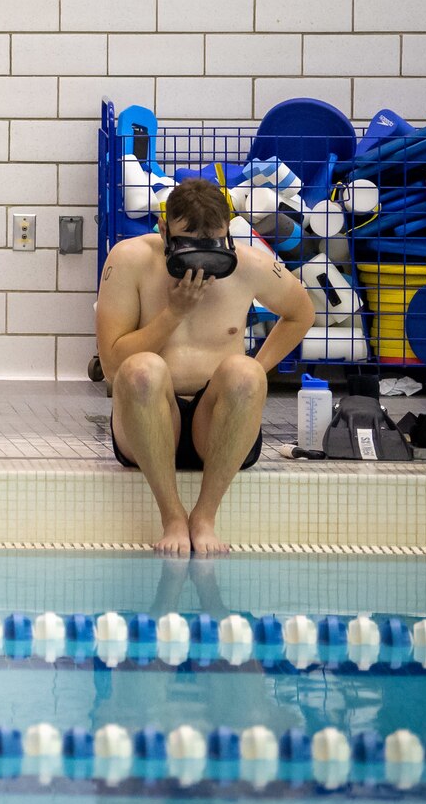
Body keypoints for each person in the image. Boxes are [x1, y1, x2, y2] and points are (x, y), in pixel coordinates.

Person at [95, 177, 315, 557]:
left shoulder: (251, 265)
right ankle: (173, 517)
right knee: (141, 369)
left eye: (211, 242)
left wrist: (255, 375)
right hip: (146, 420)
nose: (200, 255)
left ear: (228, 233)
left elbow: (302, 313)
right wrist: (173, 314)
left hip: (216, 426)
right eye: (186, 241)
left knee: (245, 371)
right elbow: (114, 366)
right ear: (164, 230)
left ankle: (204, 517)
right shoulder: (129, 260)